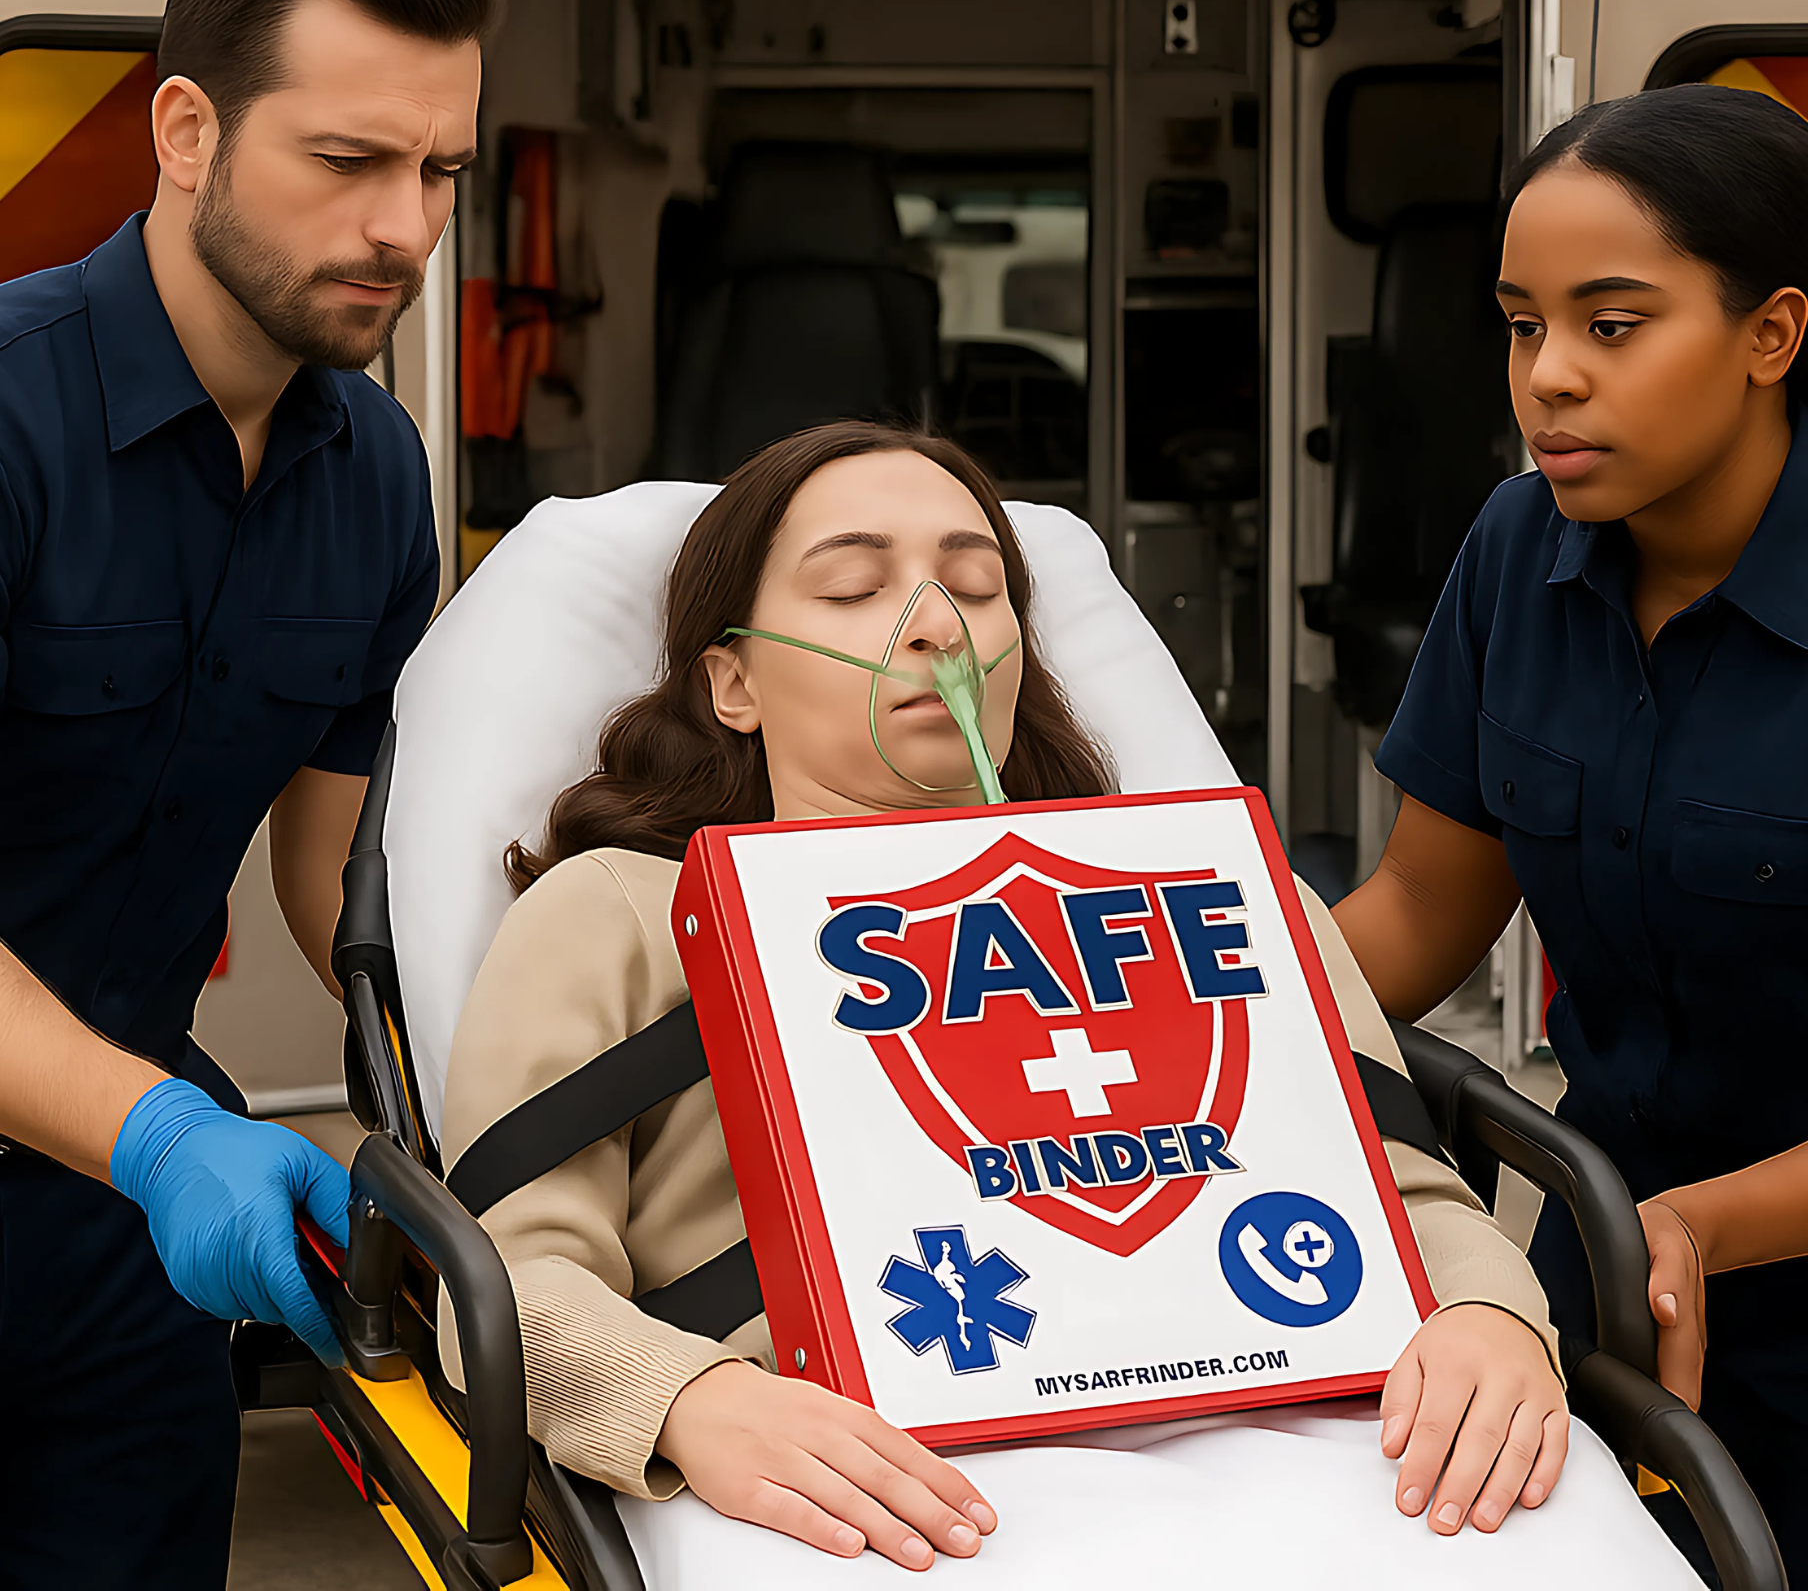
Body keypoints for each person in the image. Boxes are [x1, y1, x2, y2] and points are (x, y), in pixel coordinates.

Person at [440, 420, 1698, 1587]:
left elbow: (1410, 1192)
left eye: (976, 588)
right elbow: (503, 1279)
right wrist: (685, 1400)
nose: (931, 623)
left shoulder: (1213, 899)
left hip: (1305, 1425)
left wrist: (1487, 1310)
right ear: (733, 684)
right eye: (850, 587)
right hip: (870, 1471)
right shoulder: (621, 912)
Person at [1334, 82, 1808, 1590]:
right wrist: (1182, 1013)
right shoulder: (1521, 551)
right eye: (1522, 325)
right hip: (1607, 1265)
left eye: (1612, 326)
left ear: (1771, 336)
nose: (1549, 380)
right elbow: (1422, 915)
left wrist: (1701, 1226)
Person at [0, 0, 492, 1586]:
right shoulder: (7, 419)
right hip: (144, 1144)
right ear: (189, 131)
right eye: (347, 161)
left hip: (123, 1236)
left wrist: (533, 1068)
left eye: (437, 174)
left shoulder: (376, 477)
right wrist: (163, 1133)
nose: (403, 228)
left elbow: (336, 871)